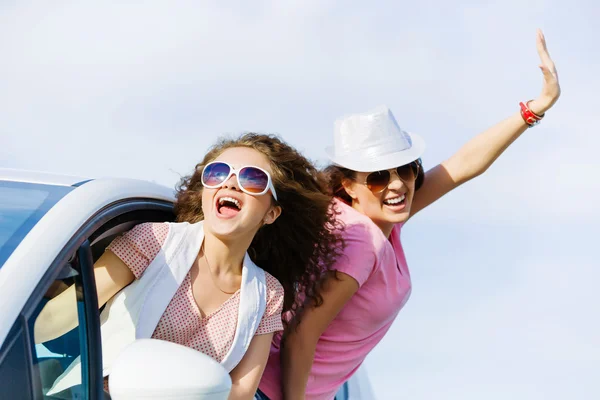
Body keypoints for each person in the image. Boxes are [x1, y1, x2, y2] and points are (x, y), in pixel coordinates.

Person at [257, 29, 561, 400]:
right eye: (379, 177)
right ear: (348, 185)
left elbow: (461, 166)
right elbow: (303, 333)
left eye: (407, 169)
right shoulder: (362, 240)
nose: (397, 184)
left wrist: (536, 106)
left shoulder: (374, 219)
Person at [34, 133, 343, 400]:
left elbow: (240, 391)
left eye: (251, 179)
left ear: (271, 213)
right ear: (206, 191)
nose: (230, 184)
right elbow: (68, 310)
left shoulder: (267, 293)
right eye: (218, 173)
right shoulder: (156, 241)